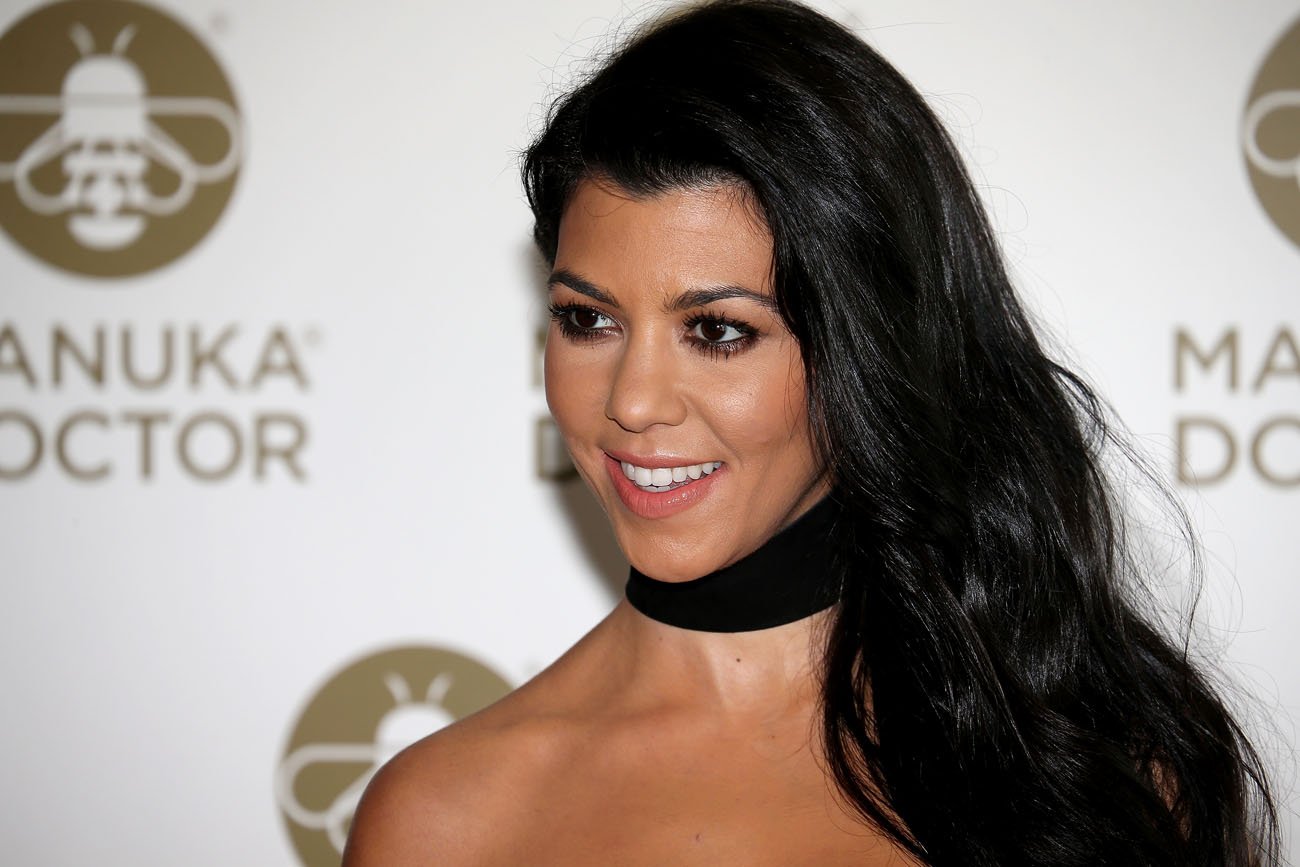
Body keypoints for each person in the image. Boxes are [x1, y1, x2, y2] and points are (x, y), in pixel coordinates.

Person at [343, 1, 1280, 864]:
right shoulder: (445, 818)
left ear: (868, 345)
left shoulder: (1095, 769)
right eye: (588, 320)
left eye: (718, 331)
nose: (634, 401)